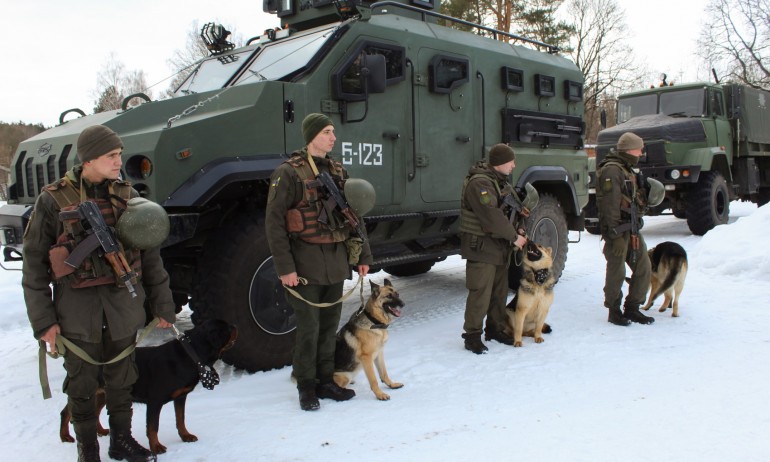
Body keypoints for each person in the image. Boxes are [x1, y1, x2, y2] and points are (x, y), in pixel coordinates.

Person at [22, 125, 176, 462]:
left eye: (120, 154)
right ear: (89, 158)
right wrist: (44, 322)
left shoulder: (128, 196)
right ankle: (87, 448)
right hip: (77, 310)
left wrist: (164, 306)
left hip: (122, 306)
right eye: (111, 155)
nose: (119, 161)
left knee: (122, 379)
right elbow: (33, 266)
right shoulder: (52, 200)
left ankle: (121, 440)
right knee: (81, 383)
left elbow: (151, 257)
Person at [266, 113, 373, 411]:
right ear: (312, 135)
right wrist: (285, 268)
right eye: (327, 132)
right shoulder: (288, 173)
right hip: (304, 264)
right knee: (309, 328)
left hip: (336, 261)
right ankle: (306, 384)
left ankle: (326, 380)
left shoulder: (338, 170)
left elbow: (355, 215)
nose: (333, 137)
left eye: (333, 132)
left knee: (329, 326)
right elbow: (274, 224)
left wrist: (363, 255)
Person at [459, 144, 528, 354]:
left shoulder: (500, 182)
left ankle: (495, 329)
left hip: (498, 247)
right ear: (499, 163)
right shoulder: (479, 183)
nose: (514, 166)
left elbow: (513, 210)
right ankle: (472, 335)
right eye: (511, 162)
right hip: (481, 247)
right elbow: (492, 217)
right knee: (480, 292)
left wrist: (520, 228)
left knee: (499, 293)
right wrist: (515, 237)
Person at [596, 131, 655, 326]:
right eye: (639, 149)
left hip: (632, 229)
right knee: (616, 271)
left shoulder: (627, 169)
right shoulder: (612, 171)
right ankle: (614, 310)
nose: (641, 153)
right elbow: (609, 206)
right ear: (630, 150)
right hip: (618, 232)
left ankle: (633, 308)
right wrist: (614, 235)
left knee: (644, 268)